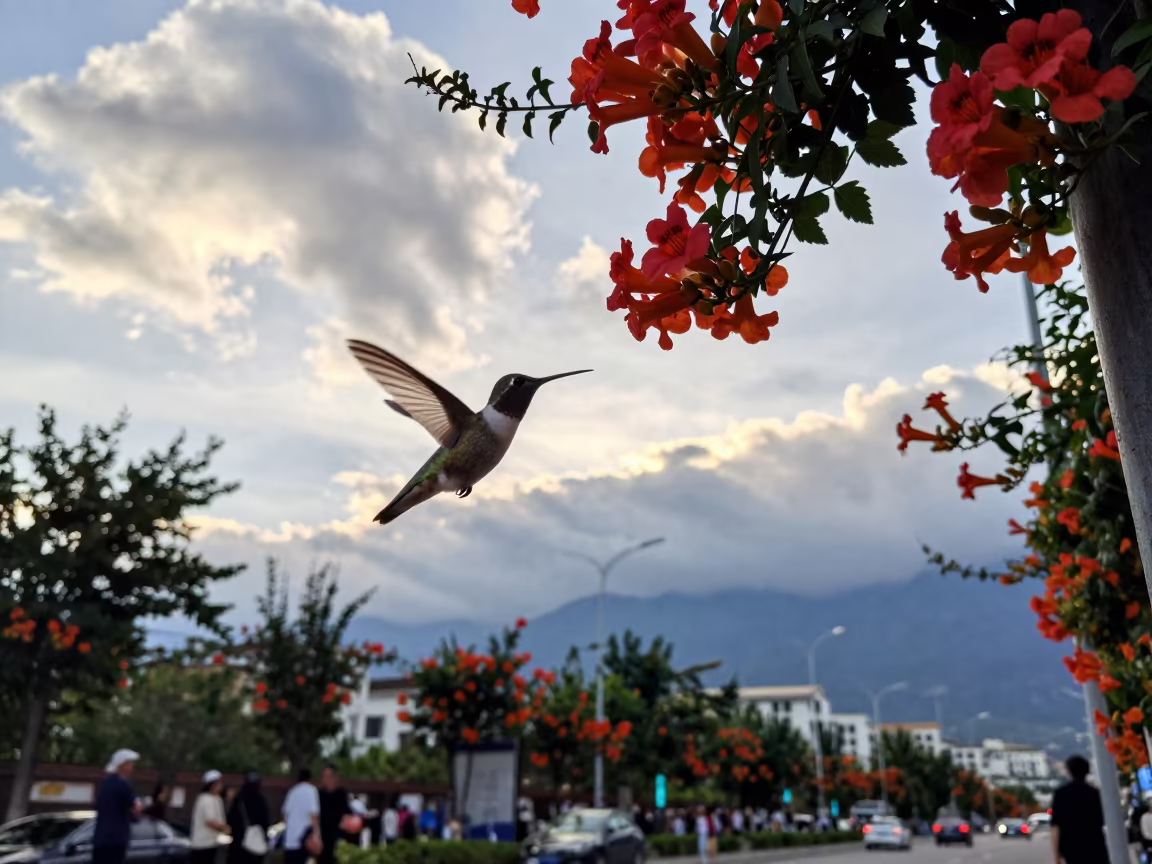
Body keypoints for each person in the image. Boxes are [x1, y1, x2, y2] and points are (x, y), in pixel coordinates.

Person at [1050, 754, 1109, 864]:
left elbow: (1055, 826)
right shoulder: (1095, 793)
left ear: (1069, 771)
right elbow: (1103, 821)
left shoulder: (1061, 794)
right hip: (1096, 846)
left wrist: (1056, 856)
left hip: (1072, 849)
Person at [94, 749, 142, 864]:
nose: (132, 767)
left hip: (100, 839)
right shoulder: (123, 784)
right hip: (117, 840)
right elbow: (136, 808)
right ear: (123, 766)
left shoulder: (105, 784)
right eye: (129, 764)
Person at [227, 771, 270, 864]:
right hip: (256, 845)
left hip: (239, 845)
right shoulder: (260, 800)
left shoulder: (239, 799)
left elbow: (230, 819)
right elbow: (266, 821)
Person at [282, 768, 320, 864]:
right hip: (304, 840)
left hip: (289, 840)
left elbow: (285, 814)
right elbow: (314, 815)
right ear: (310, 779)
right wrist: (316, 835)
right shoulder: (311, 790)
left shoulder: (292, 791)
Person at [191, 771, 229, 864]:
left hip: (212, 843)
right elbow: (210, 822)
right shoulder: (205, 799)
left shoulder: (217, 799)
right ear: (211, 785)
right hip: (202, 845)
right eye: (218, 782)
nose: (221, 785)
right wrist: (226, 829)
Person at [317, 765, 350, 864]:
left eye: (329, 777)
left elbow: (346, 814)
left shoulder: (341, 794)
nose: (326, 780)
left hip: (338, 838)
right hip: (321, 838)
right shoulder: (318, 794)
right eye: (324, 777)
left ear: (336, 778)